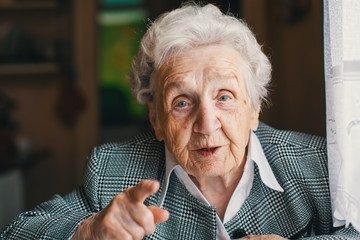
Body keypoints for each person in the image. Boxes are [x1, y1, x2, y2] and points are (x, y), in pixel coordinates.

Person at [1, 3, 360, 240]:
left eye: (224, 97)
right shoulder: (115, 171)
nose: (207, 123)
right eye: (182, 102)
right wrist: (89, 231)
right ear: (155, 118)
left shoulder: (321, 165)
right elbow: (19, 231)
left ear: (254, 108)